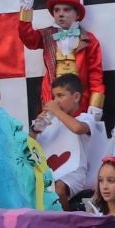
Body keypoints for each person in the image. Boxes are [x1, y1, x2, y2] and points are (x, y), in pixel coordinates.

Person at [18, 0, 104, 116]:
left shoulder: (89, 40)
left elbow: (95, 76)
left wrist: (96, 104)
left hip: (79, 103)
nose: (60, 14)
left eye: (66, 10)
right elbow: (28, 38)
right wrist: (26, 11)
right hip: (52, 101)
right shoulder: (47, 36)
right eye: (57, 10)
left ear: (78, 14)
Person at [31, 74, 99, 211]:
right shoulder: (51, 123)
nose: (56, 101)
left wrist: (56, 111)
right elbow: (29, 145)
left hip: (75, 172)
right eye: (54, 97)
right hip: (50, 170)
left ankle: (67, 223)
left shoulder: (85, 118)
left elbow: (78, 128)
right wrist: (36, 129)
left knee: (59, 189)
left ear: (76, 97)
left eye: (61, 96)